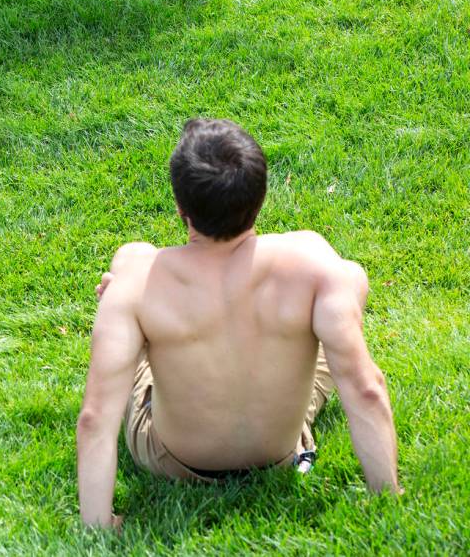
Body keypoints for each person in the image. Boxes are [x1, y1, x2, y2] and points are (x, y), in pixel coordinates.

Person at [76, 118, 400, 528]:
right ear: (261, 197)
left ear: (181, 207)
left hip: (172, 459)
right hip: (279, 453)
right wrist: (388, 498)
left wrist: (97, 527)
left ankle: (141, 335)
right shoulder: (312, 262)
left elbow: (95, 418)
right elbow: (366, 389)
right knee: (346, 281)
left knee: (130, 258)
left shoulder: (138, 281)